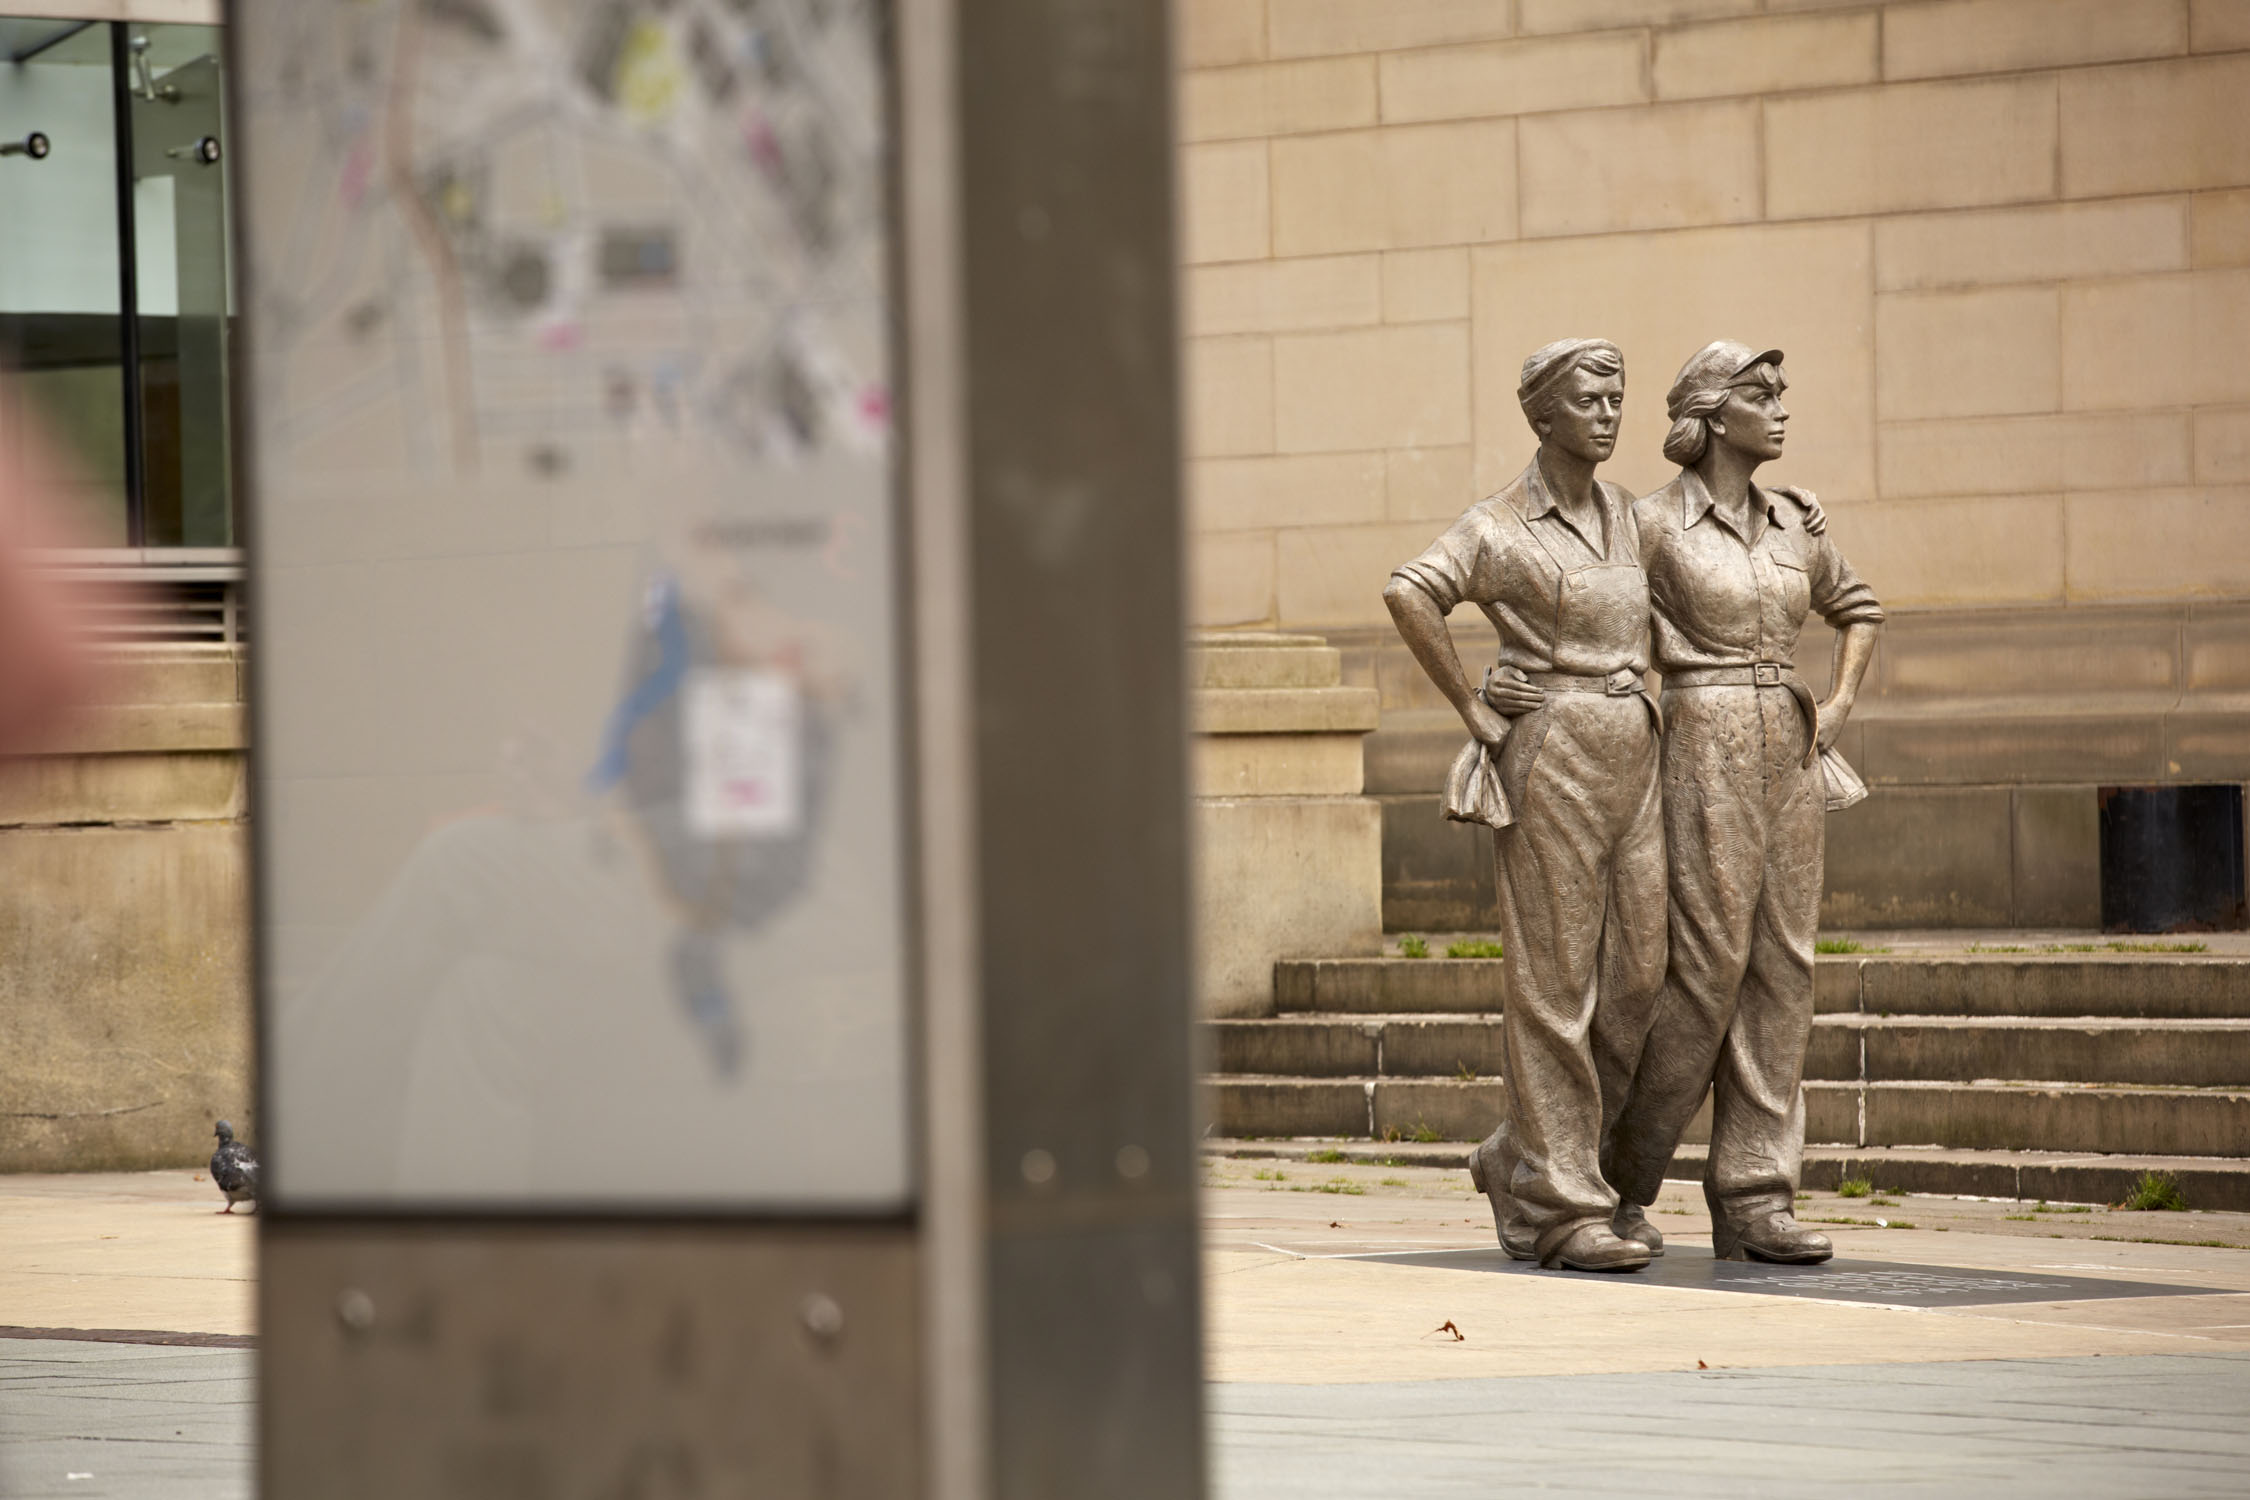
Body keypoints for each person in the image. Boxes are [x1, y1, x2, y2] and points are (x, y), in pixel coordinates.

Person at [1383, 338, 1666, 1272]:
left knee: (1638, 979)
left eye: (1618, 398)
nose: (1610, 414)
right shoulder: (1499, 525)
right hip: (1553, 760)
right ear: (1543, 415)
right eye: (1590, 399)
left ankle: (1522, 1155)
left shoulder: (1631, 515)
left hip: (1638, 755)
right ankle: (1562, 1204)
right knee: (1554, 987)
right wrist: (1473, 705)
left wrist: (1796, 514)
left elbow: (1713, 533)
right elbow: (1410, 590)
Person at [1603, 342, 1884, 1263]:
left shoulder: (1798, 523)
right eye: (1763, 395)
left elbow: (1859, 608)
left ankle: (1755, 1194)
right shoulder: (1648, 524)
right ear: (1715, 414)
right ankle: (1610, 1173)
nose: (1781, 408)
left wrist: (1836, 704)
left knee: (1783, 968)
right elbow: (1597, 628)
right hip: (1696, 737)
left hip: (1790, 744)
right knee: (1704, 972)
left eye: (1782, 394)